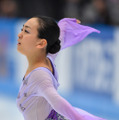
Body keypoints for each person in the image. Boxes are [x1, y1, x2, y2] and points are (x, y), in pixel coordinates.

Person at [16, 16, 106, 120]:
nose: (20, 34)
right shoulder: (47, 58)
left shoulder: (39, 76)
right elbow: (59, 39)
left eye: (26, 31)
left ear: (41, 43)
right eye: (22, 29)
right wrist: (63, 25)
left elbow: (57, 102)